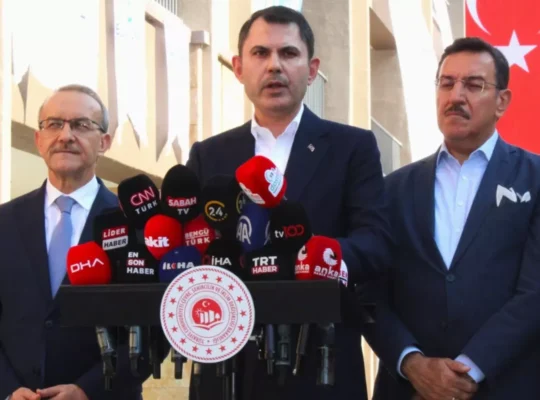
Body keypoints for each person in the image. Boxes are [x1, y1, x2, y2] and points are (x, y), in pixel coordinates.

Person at [186, 6, 393, 400]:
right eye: (260, 53)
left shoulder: (352, 147)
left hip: (320, 360)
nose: (274, 66)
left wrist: (319, 259)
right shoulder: (208, 155)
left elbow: (375, 242)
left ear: (312, 70)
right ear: (238, 68)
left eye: (289, 53)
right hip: (227, 366)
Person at [363, 37, 540, 400]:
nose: (456, 96)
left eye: (473, 85)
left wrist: (470, 369)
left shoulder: (534, 179)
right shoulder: (392, 189)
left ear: (502, 101)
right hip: (409, 390)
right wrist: (412, 363)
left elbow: (534, 292)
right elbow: (368, 291)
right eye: (447, 83)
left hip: (507, 385)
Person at [0, 85, 153, 400]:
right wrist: (8, 389)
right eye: (54, 124)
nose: (65, 135)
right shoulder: (4, 221)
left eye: (81, 125)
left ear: (104, 142)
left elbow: (156, 330)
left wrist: (87, 390)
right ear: (38, 139)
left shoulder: (138, 224)